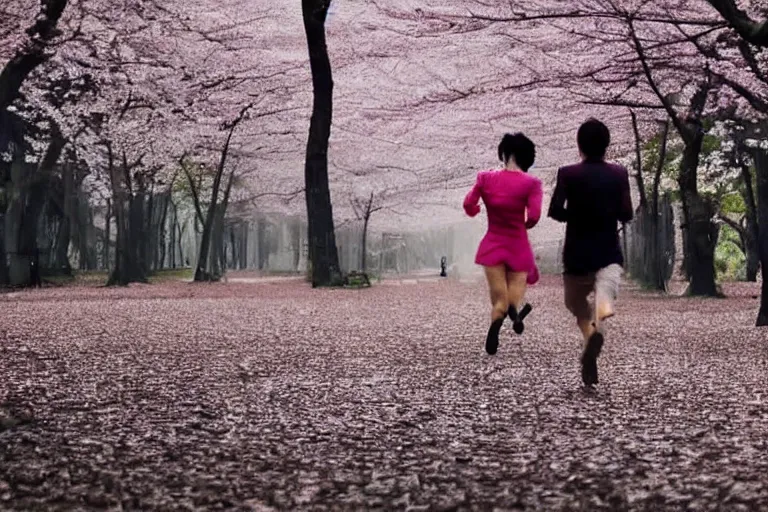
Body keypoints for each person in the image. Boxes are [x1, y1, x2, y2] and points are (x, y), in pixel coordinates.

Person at [548, 118, 634, 386]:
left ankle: (590, 335)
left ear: (579, 145)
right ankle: (597, 328)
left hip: (576, 253)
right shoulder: (619, 174)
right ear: (607, 145)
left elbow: (554, 210)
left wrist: (577, 213)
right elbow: (627, 213)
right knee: (605, 294)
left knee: (574, 304)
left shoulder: (567, 173)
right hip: (608, 250)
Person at [463, 133, 543, 355]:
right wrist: (522, 225)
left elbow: (469, 204)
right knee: (515, 292)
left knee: (499, 298)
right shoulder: (532, 183)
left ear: (504, 154)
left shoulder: (485, 178)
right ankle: (515, 313)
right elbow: (534, 216)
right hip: (518, 246)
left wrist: (477, 209)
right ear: (527, 157)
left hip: (493, 244)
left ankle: (498, 317)